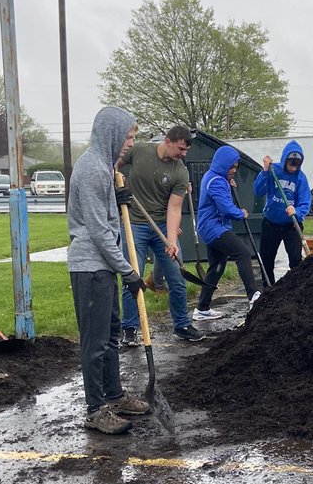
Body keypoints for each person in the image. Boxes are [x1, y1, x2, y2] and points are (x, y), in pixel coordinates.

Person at [66, 105, 151, 435]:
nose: (130, 143)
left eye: (132, 137)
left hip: (103, 267)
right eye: (128, 136)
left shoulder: (104, 168)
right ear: (112, 134)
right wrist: (128, 269)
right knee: (95, 342)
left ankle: (114, 396)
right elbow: (99, 231)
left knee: (111, 335)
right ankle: (95, 408)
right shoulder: (91, 169)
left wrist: (117, 199)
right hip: (90, 267)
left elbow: (104, 219)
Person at [119, 125, 203, 343]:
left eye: (186, 151)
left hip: (162, 226)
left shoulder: (180, 171)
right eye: (181, 149)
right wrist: (115, 175)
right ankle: (129, 328)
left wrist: (172, 241)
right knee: (132, 275)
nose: (183, 154)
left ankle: (182, 324)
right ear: (167, 141)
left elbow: (174, 208)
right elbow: (115, 164)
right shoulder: (139, 150)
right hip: (134, 223)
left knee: (176, 276)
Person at [192, 145, 261, 319]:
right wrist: (241, 213)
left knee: (217, 267)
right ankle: (253, 296)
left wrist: (228, 184)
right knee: (243, 253)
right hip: (214, 228)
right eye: (231, 167)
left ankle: (202, 308)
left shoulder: (214, 176)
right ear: (222, 165)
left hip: (212, 227)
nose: (234, 170)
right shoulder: (216, 181)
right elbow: (226, 209)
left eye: (236, 167)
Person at [254, 141, 311, 285]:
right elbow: (258, 191)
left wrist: (296, 211)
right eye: (291, 164)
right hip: (270, 223)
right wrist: (265, 170)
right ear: (285, 159)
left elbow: (305, 203)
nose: (293, 168)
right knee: (267, 260)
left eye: (297, 165)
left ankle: (296, 288)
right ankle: (268, 290)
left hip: (291, 224)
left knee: (295, 260)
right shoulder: (274, 171)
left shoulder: (301, 178)